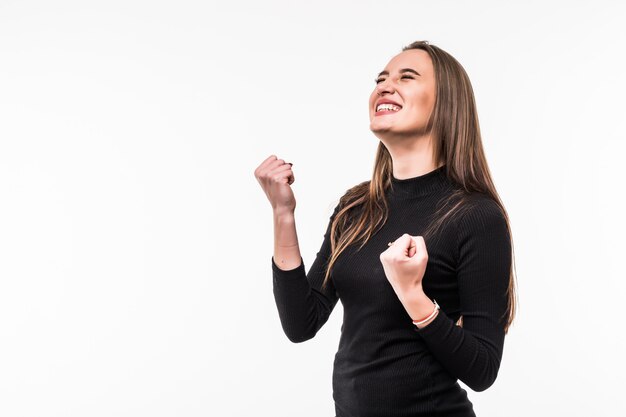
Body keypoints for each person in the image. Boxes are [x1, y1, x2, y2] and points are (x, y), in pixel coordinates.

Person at [254, 40, 517, 417]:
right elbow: (301, 322)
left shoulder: (475, 215)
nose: (384, 86)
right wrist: (283, 214)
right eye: (380, 79)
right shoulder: (357, 207)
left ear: (446, 102)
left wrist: (412, 294)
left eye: (406, 77)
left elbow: (483, 369)